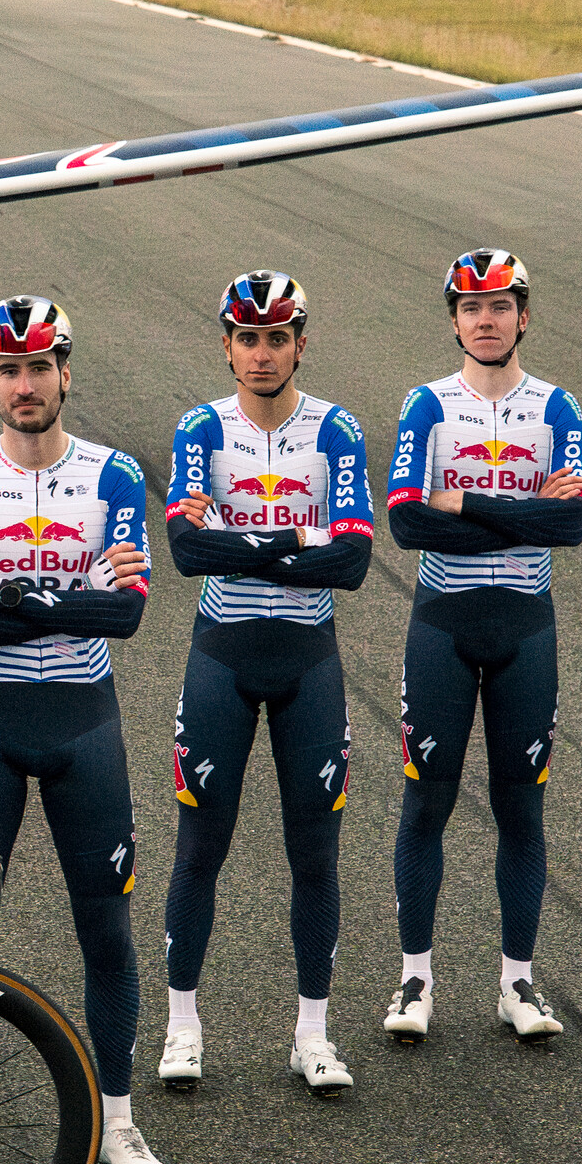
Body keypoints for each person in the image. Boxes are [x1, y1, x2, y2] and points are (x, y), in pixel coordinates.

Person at [0, 295, 168, 1164]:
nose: (26, 384)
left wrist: (13, 600)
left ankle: (119, 1118)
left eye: (40, 366)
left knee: (106, 925)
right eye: (9, 369)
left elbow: (128, 614)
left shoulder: (114, 476)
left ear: (67, 372)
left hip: (82, 724)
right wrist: (68, 597)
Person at [157, 270, 375, 1097]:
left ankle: (312, 1034)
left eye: (276, 338)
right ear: (227, 346)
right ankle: (183, 1025)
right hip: (221, 655)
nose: (260, 353)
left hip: (308, 662)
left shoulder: (338, 431)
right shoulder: (199, 429)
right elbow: (185, 552)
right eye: (246, 339)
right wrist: (297, 538)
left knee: (314, 855)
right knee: (199, 850)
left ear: (299, 346)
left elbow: (352, 563)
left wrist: (243, 537)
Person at [381, 248, 582, 1046]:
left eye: (500, 305)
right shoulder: (425, 405)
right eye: (471, 308)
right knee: (426, 803)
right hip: (443, 623)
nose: (486, 319)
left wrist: (459, 499)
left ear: (523, 314)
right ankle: (415, 979)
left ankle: (518, 984)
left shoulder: (558, 408)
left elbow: (572, 525)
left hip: (524, 628)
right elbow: (407, 522)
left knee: (521, 809)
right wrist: (519, 507)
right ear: (455, 321)